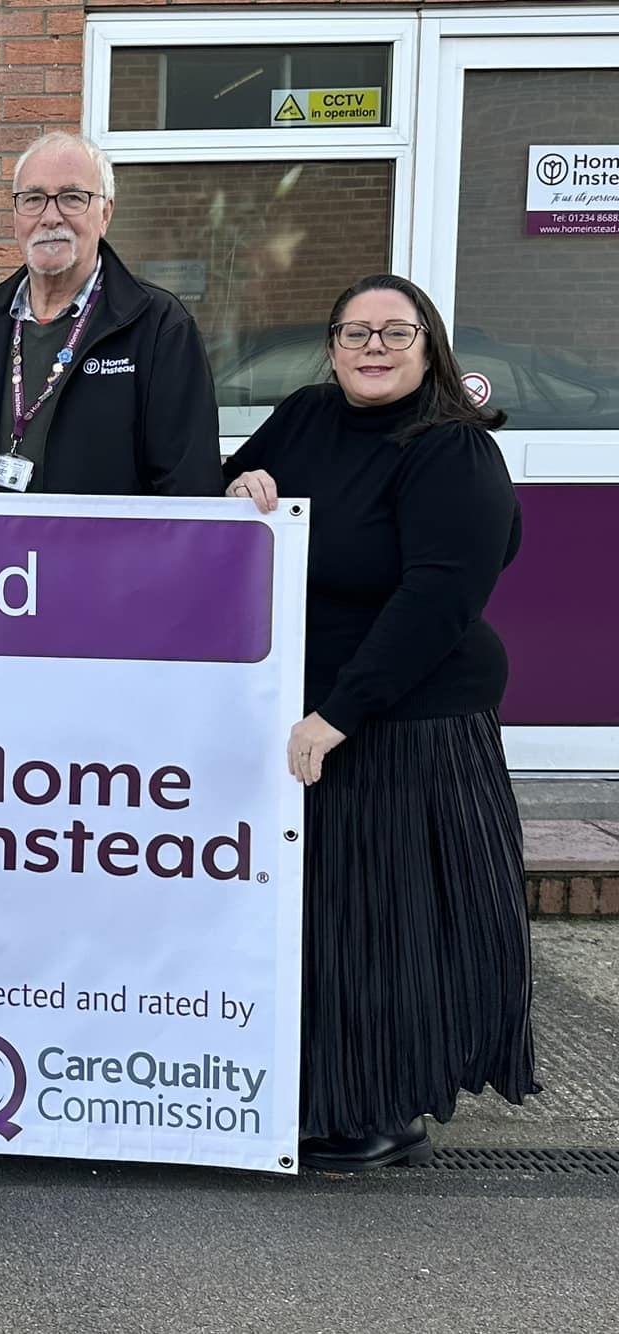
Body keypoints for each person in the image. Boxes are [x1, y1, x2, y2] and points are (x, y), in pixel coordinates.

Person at [224, 274, 535, 1173]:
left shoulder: (452, 450)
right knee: (331, 913)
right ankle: (333, 1089)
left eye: (394, 332)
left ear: (429, 346)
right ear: (331, 346)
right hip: (315, 710)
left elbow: (438, 599)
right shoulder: (308, 415)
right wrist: (242, 482)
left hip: (411, 718)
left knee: (390, 918)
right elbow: (229, 491)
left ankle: (385, 1111)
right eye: (354, 331)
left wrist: (339, 715)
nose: (372, 347)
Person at [0, 132, 220, 508]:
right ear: (15, 215)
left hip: (106, 563)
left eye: (72, 198)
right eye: (33, 199)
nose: (50, 216)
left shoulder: (158, 325)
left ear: (105, 213)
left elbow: (187, 485)